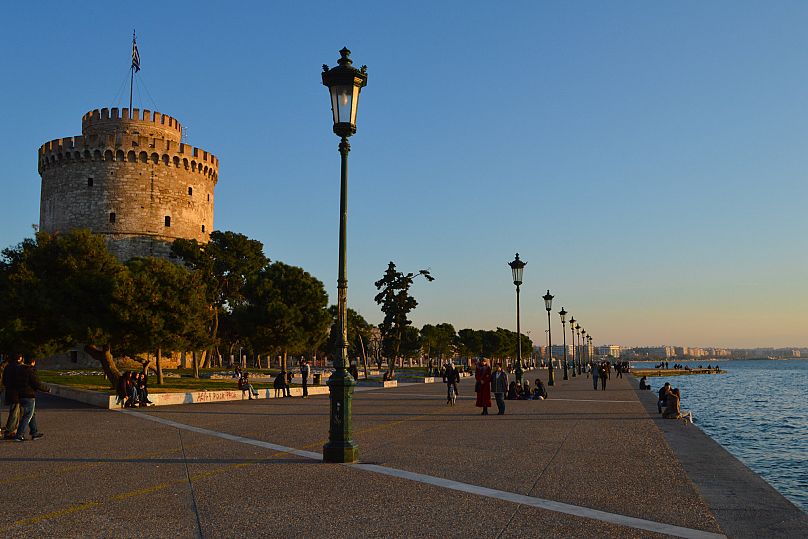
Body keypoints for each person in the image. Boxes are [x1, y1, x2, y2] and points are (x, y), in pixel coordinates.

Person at [12, 357, 49, 442]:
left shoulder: (18, 369)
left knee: (32, 414)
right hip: (29, 395)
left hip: (21, 394)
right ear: (33, 362)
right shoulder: (30, 370)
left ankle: (34, 433)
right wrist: (47, 389)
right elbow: (36, 383)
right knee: (28, 415)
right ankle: (19, 435)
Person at [3, 355, 23, 439]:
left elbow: (4, 380)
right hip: (16, 393)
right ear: (19, 358)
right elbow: (19, 380)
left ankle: (13, 430)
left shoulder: (7, 367)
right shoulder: (18, 367)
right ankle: (9, 431)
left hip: (9, 391)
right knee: (14, 413)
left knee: (15, 412)